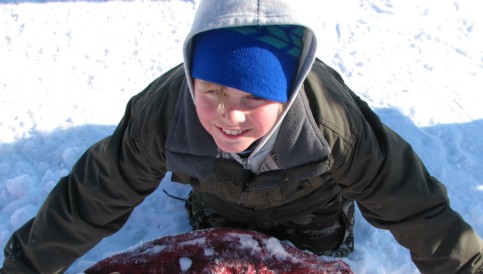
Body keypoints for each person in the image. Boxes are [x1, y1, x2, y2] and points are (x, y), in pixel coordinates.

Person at [2, 0, 482, 273]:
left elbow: (417, 210)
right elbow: (90, 198)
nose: (229, 115)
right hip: (219, 199)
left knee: (322, 252)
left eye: (253, 97)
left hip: (311, 205)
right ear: (192, 78)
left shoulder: (333, 124)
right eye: (211, 90)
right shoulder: (164, 114)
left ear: (288, 94)